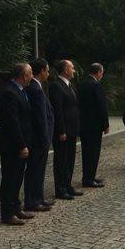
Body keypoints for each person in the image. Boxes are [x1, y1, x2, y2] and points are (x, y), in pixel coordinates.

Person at [0, 63, 35, 226]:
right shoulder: (9, 92)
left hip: (21, 142)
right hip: (12, 145)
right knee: (10, 179)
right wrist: (21, 145)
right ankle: (7, 213)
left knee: (18, 177)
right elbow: (12, 122)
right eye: (30, 73)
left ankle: (16, 207)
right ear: (23, 75)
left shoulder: (20, 91)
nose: (32, 76)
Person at [23, 58, 56, 212]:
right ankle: (32, 200)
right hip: (38, 138)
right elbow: (39, 116)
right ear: (42, 71)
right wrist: (45, 137)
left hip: (41, 137)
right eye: (47, 70)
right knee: (34, 169)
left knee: (40, 169)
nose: (48, 73)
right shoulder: (34, 89)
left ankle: (38, 197)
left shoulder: (37, 87)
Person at [49, 59, 83, 200]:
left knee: (70, 158)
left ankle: (67, 184)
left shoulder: (70, 86)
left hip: (72, 128)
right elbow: (58, 110)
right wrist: (61, 130)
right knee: (61, 159)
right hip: (63, 130)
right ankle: (60, 188)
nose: (74, 70)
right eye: (72, 68)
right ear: (65, 70)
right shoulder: (56, 86)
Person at [78, 63, 109, 188]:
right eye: (102, 73)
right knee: (94, 152)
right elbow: (101, 106)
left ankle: (88, 176)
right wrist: (105, 124)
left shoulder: (82, 84)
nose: (102, 75)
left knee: (86, 152)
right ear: (98, 72)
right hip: (94, 125)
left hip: (84, 124)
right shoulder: (96, 85)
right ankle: (89, 178)